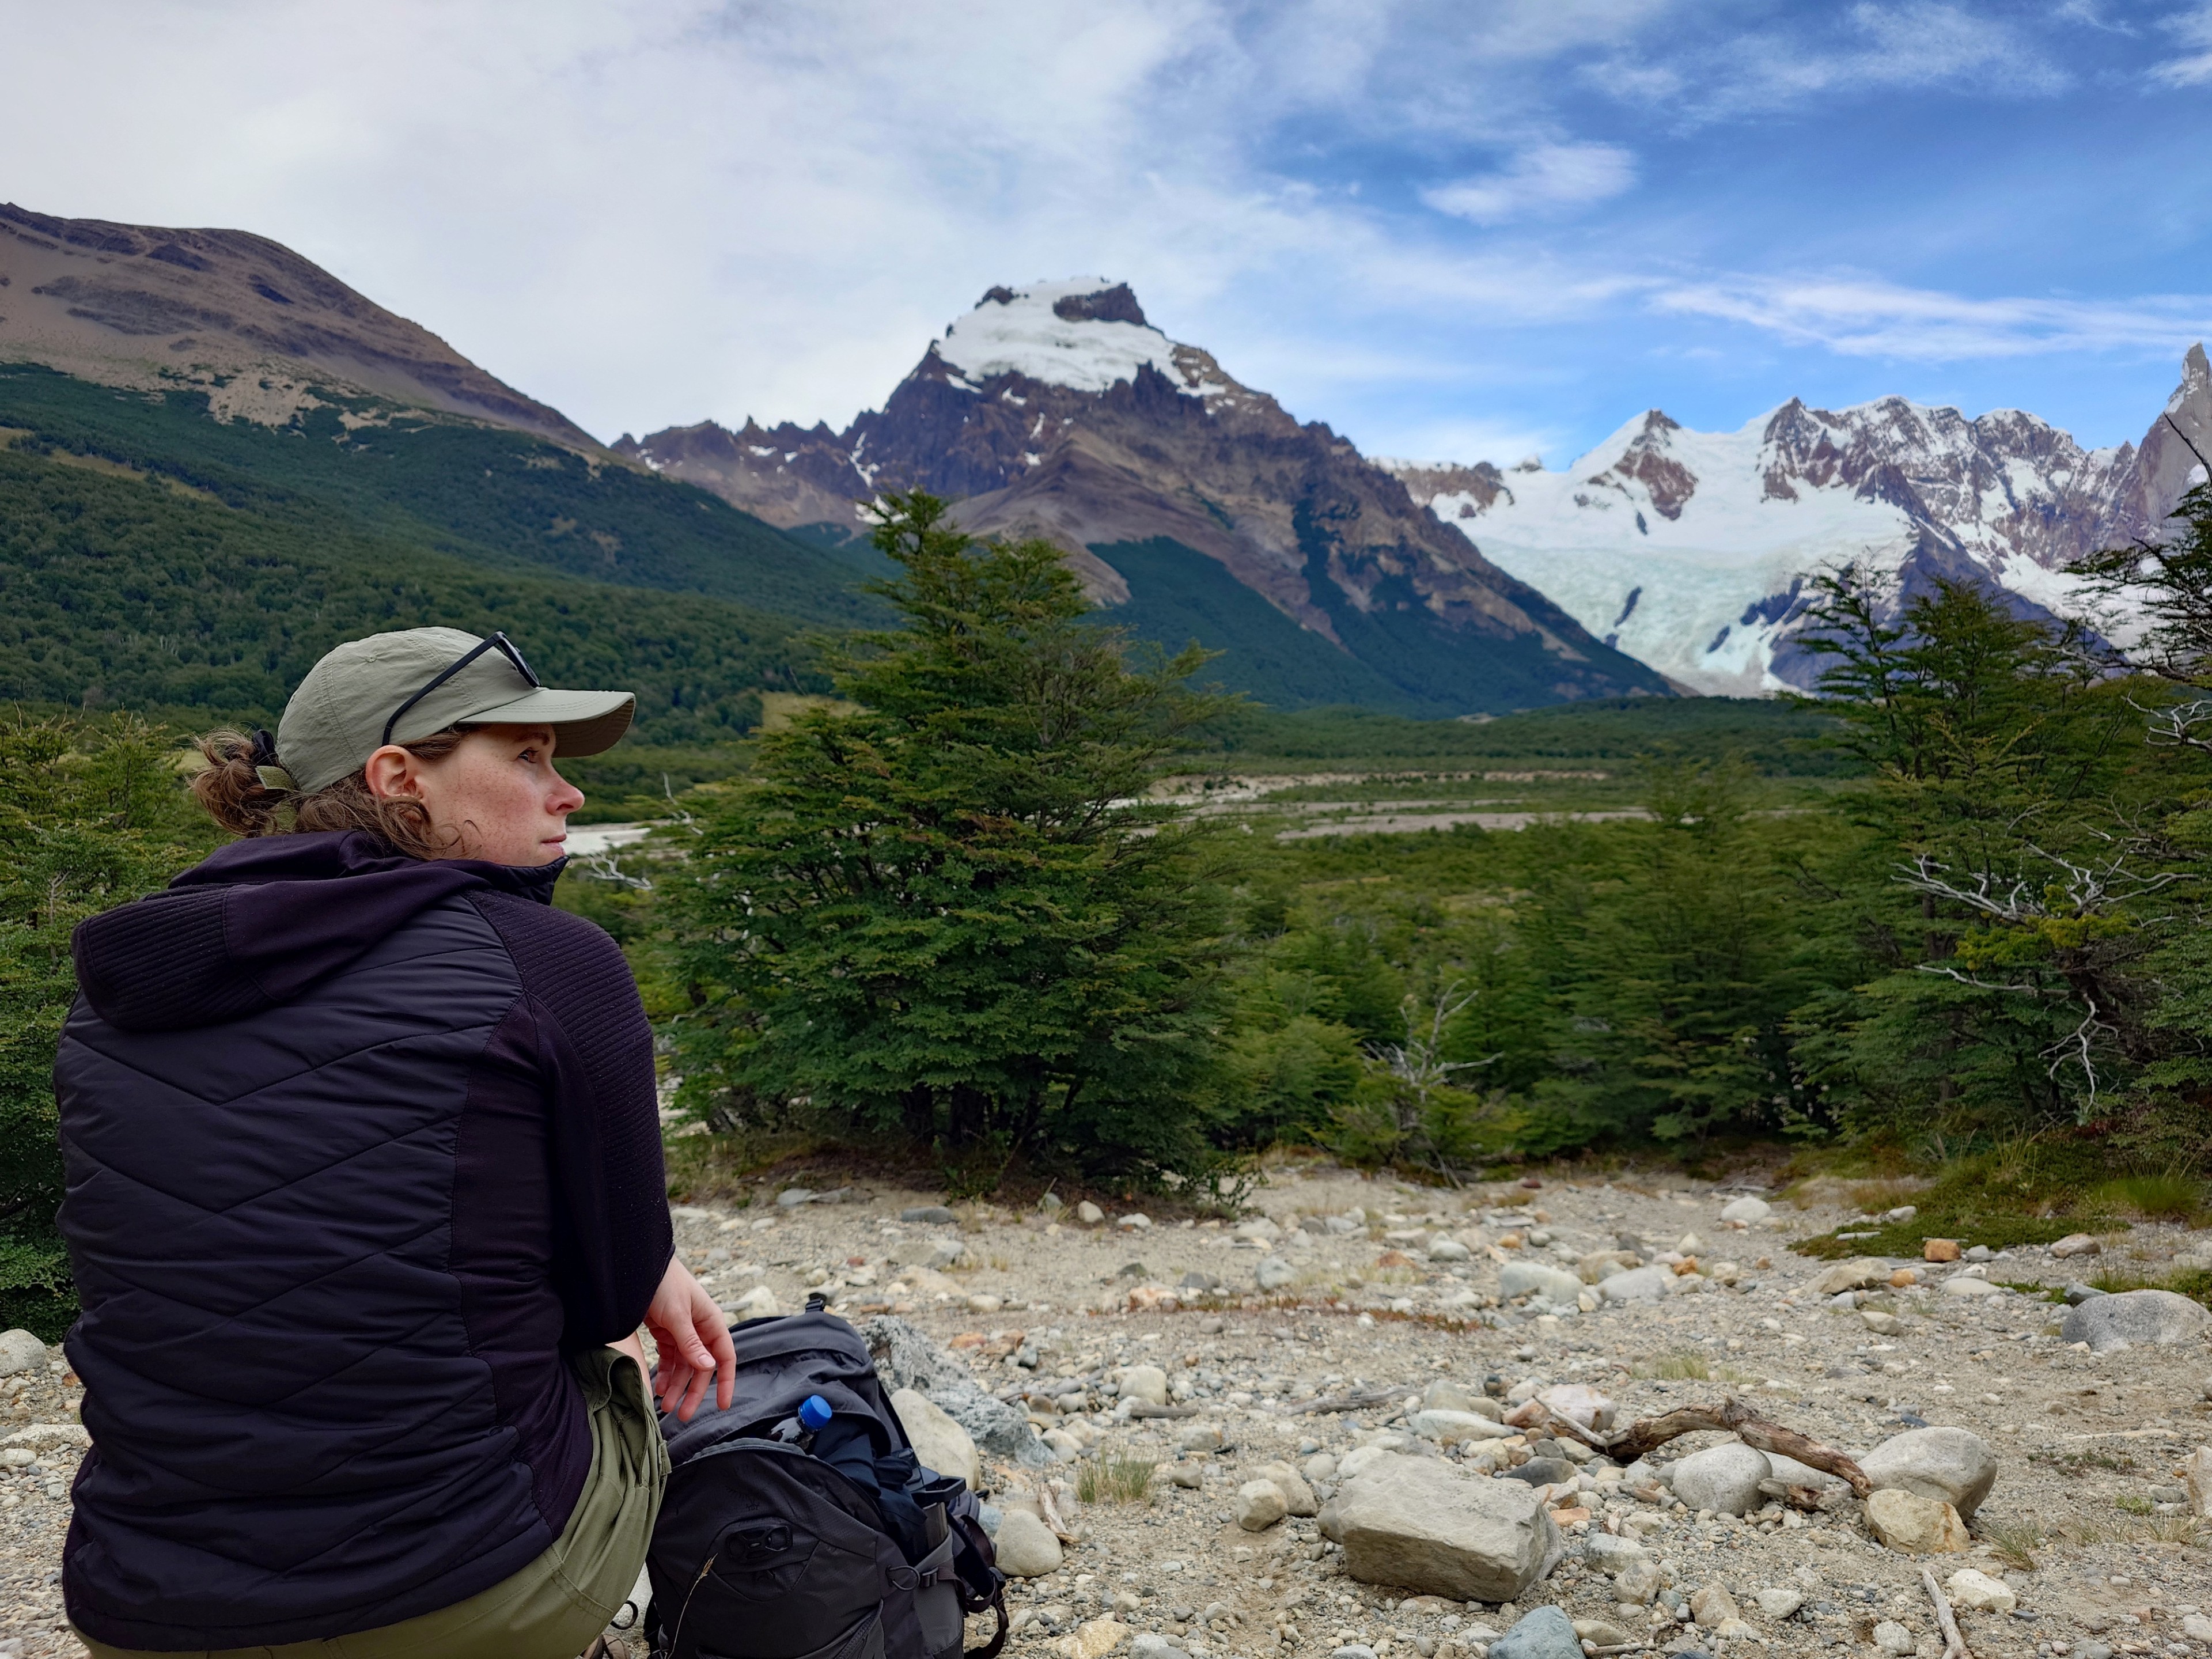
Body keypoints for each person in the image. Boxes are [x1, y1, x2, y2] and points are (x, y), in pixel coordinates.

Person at [52, 627, 736, 1659]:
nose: (570, 795)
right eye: (526, 757)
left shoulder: (127, 980)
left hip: (138, 1605)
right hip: (462, 1596)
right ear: (397, 776)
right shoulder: (550, 959)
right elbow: (604, 1303)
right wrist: (650, 1264)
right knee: (613, 1381)